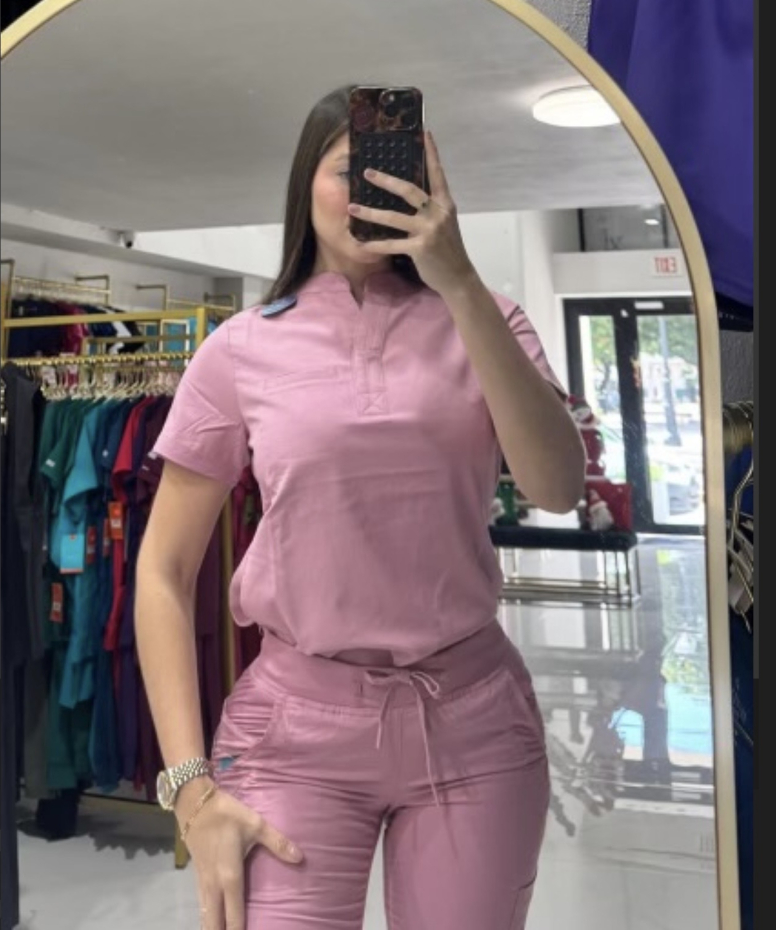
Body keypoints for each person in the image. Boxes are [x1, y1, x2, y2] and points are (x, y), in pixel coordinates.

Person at [135, 85, 585, 930]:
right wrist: (190, 787)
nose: (372, 192)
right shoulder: (239, 349)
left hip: (475, 720)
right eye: (351, 170)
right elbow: (163, 570)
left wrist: (459, 279)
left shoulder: (492, 321)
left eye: (396, 171)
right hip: (293, 727)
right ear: (305, 183)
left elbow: (558, 489)